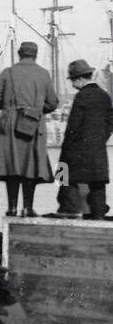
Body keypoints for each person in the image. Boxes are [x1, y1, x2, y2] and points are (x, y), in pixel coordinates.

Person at [0, 40, 60, 216]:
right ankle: (28, 207)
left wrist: (9, 108)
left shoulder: (8, 72)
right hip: (33, 125)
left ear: (20, 54)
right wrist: (35, 110)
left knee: (11, 166)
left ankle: (11, 208)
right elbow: (52, 103)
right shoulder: (43, 74)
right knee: (30, 166)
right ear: (35, 55)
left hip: (9, 126)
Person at [58, 58, 113, 219]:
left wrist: (66, 149)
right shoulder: (104, 96)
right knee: (98, 185)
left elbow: (72, 127)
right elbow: (110, 122)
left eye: (73, 81)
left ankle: (71, 213)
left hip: (78, 152)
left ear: (80, 79)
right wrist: (101, 138)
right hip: (98, 150)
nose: (73, 85)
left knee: (69, 181)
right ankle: (98, 219)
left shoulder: (81, 97)